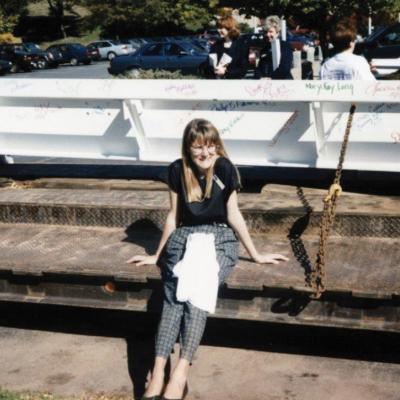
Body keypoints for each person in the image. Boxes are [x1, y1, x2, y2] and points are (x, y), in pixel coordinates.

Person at [127, 119, 288, 400]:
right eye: (198, 146)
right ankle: (158, 369)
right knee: (175, 294)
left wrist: (256, 254)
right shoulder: (177, 170)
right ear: (188, 148)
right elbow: (173, 217)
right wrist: (157, 254)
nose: (206, 152)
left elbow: (233, 214)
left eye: (211, 145)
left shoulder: (225, 168)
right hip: (185, 237)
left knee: (199, 288)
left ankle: (180, 372)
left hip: (219, 238)